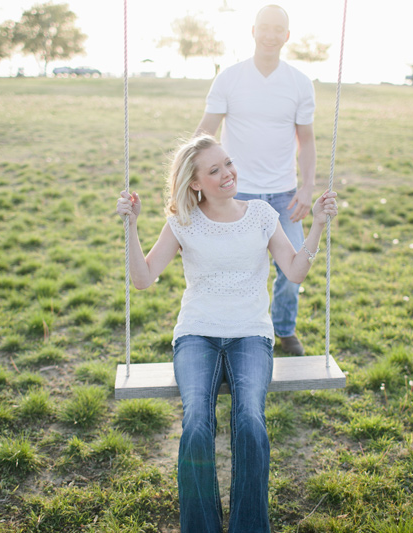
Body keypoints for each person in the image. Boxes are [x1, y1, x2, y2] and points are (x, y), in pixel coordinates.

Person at [116, 135, 337, 533]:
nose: (227, 174)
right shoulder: (182, 222)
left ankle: (249, 527)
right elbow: (143, 278)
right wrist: (131, 226)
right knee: (197, 421)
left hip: (251, 334)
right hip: (197, 334)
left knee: (250, 419)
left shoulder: (262, 214)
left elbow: (295, 270)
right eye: (214, 170)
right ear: (195, 182)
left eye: (228, 163)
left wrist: (317, 226)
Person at [194, 4, 316, 356]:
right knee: (231, 268)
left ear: (287, 36)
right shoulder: (230, 78)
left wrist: (307, 187)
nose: (270, 34)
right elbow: (206, 131)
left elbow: (306, 140)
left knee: (292, 271)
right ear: (253, 31)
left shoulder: (299, 83)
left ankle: (283, 328)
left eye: (278, 29)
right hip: (234, 192)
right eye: (264, 27)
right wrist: (189, 174)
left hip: (283, 195)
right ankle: (228, 331)